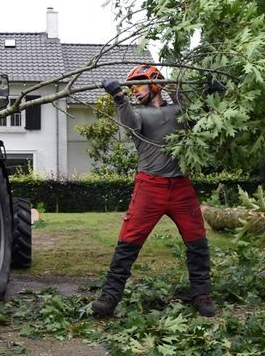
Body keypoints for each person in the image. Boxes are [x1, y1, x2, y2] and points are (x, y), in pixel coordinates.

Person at [90, 64, 215, 318]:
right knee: (128, 242)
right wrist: (118, 97)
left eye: (138, 85)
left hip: (181, 188)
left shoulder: (180, 111)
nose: (134, 91)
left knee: (197, 242)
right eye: (131, 88)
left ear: (155, 83)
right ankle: (110, 297)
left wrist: (214, 93)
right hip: (150, 187)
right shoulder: (139, 116)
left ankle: (202, 294)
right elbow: (129, 123)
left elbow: (202, 113)